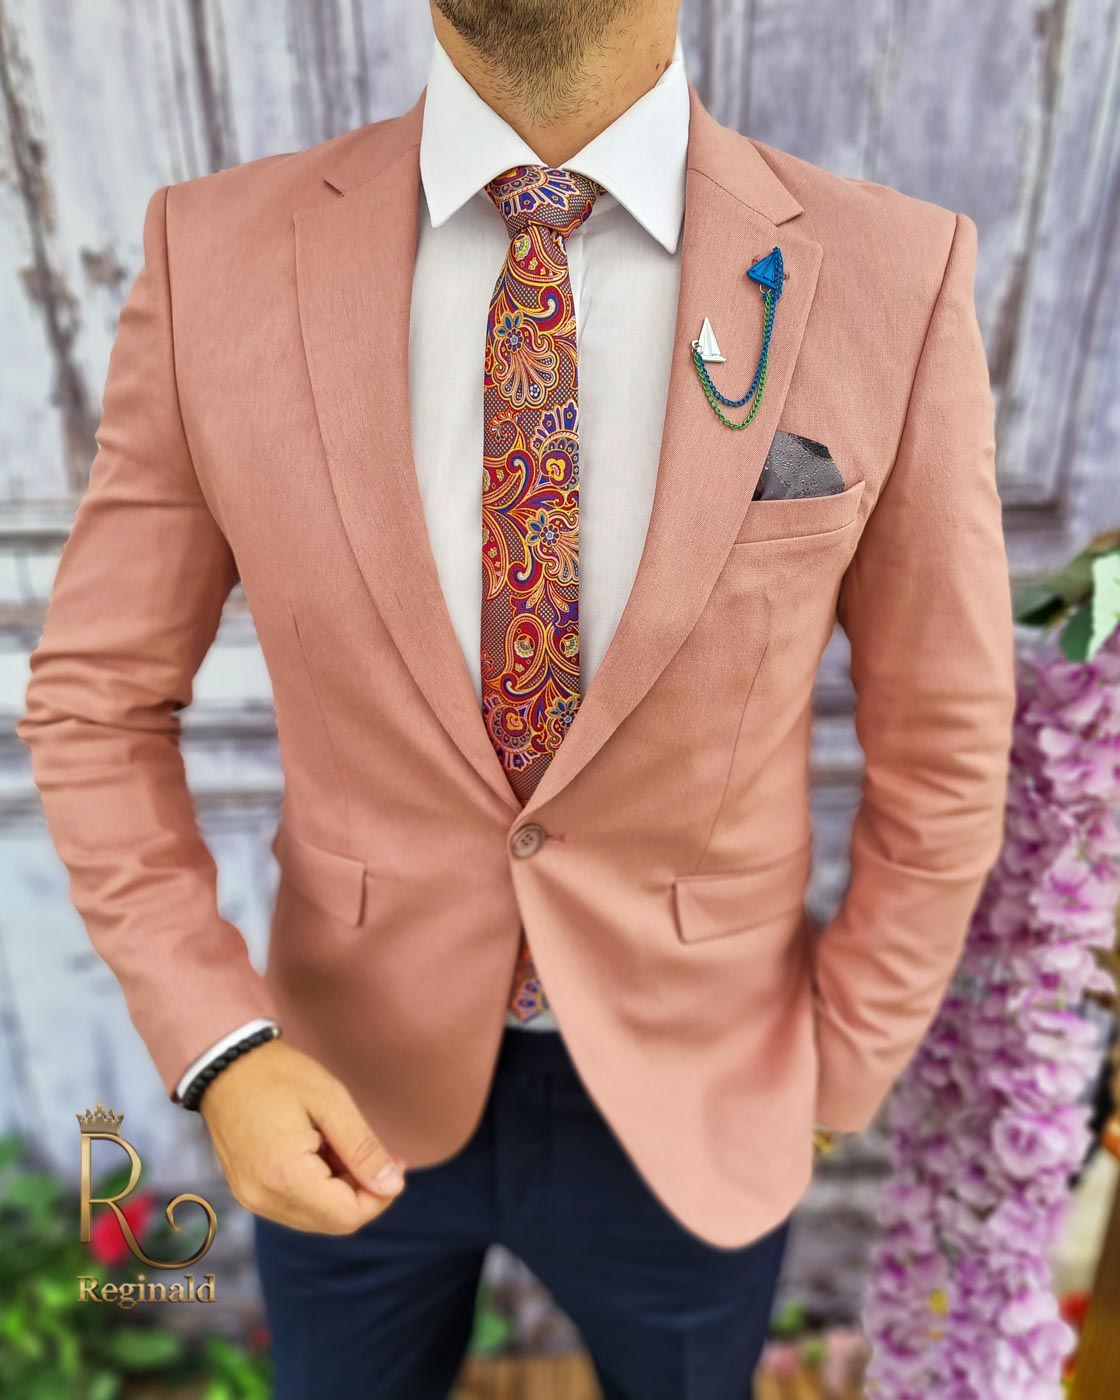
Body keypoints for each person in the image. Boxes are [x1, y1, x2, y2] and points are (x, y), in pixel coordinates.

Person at [17, 0, 1017, 1395]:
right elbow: (95, 703)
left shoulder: (891, 273)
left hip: (705, 1081)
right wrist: (220, 1047)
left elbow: (947, 741)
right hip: (337, 1072)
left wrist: (837, 1072)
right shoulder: (217, 253)